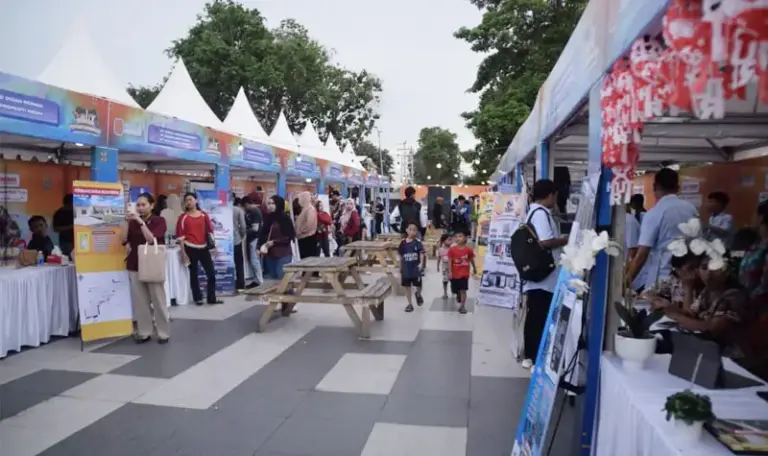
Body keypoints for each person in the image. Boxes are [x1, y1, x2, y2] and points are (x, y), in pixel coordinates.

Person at [652, 254, 749, 359]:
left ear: (727, 270)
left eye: (715, 268)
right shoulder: (707, 290)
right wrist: (667, 308)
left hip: (729, 358)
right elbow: (690, 315)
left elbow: (710, 329)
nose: (709, 273)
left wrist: (675, 315)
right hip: (705, 350)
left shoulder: (734, 296)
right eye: (704, 268)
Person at [521, 179, 570, 370]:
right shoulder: (540, 214)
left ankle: (530, 355)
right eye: (555, 195)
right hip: (544, 276)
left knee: (535, 315)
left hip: (538, 275)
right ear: (550, 195)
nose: (556, 199)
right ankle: (533, 357)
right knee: (539, 316)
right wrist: (566, 239)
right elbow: (546, 241)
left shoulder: (533, 212)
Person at [627, 168, 698, 290]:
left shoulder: (655, 213)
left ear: (655, 186)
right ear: (677, 187)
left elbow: (641, 254)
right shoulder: (691, 209)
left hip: (663, 277)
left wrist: (626, 281)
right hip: (687, 278)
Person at [125, 193, 170, 344]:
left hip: (152, 264)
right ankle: (144, 331)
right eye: (138, 205)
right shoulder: (132, 223)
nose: (140, 207)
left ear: (151, 205)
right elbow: (124, 240)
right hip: (135, 264)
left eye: (143, 204)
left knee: (158, 299)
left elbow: (151, 239)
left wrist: (140, 222)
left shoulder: (159, 221)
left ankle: (163, 332)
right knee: (140, 301)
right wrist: (125, 222)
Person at [176, 192, 222, 306]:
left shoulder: (204, 215)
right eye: (186, 200)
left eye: (190, 199)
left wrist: (214, 246)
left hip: (204, 248)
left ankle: (211, 298)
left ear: (196, 201)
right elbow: (181, 237)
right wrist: (183, 253)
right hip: (189, 248)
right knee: (194, 274)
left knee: (211, 273)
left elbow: (210, 232)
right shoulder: (183, 218)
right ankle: (198, 298)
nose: (189, 202)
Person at [259, 195, 296, 280]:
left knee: (282, 280)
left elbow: (289, 237)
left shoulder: (285, 219)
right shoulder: (268, 218)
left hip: (283, 254)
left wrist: (274, 242)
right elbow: (263, 233)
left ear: (278, 204)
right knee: (273, 280)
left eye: (273, 203)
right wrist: (259, 246)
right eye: (269, 203)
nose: (270, 206)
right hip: (269, 254)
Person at [399, 221, 426, 312]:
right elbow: (400, 255)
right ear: (407, 230)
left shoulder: (418, 242)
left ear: (417, 231)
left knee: (419, 285)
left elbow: (422, 254)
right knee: (407, 287)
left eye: (414, 230)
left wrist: (421, 265)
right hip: (406, 269)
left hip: (415, 268)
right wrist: (400, 267)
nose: (412, 232)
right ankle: (410, 304)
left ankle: (418, 294)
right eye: (410, 229)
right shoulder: (402, 243)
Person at [448, 231, 476, 314]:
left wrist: (474, 268)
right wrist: (450, 272)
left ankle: (462, 306)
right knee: (455, 290)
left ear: (465, 238)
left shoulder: (468, 250)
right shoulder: (452, 250)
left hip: (464, 274)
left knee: (464, 290)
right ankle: (458, 294)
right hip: (455, 274)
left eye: (460, 236)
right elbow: (450, 261)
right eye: (456, 236)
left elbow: (471, 259)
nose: (457, 238)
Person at [243, 194, 264, 288]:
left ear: (247, 204)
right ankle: (257, 279)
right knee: (255, 260)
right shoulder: (254, 211)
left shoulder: (255, 211)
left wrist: (244, 231)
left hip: (255, 238)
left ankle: (259, 280)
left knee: (254, 260)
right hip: (254, 238)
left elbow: (255, 228)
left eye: (244, 206)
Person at [295, 191, 318, 259]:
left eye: (300, 199)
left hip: (307, 239)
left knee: (307, 261)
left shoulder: (310, 209)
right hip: (304, 238)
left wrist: (300, 231)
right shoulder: (305, 209)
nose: (299, 201)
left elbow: (309, 224)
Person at [232, 197, 248, 291]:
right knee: (238, 263)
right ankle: (240, 285)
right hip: (235, 239)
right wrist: (242, 236)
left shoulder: (216, 209)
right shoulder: (238, 210)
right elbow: (242, 226)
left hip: (222, 241)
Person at [436, 233, 452, 299]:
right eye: (449, 240)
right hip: (445, 267)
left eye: (451, 240)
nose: (450, 241)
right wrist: (437, 266)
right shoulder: (440, 249)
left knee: (453, 280)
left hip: (452, 267)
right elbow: (439, 258)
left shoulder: (452, 249)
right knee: (445, 280)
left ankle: (454, 291)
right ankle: (445, 293)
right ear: (443, 241)